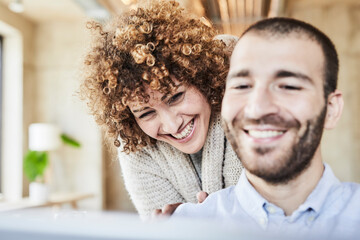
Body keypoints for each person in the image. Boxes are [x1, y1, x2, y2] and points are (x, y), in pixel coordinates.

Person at [173, 18, 360, 237]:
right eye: (241, 86)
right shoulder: (184, 228)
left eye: (288, 86)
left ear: (331, 109)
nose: (257, 108)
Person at [79, 0, 242, 218]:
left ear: (202, 77)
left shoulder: (245, 97)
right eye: (146, 113)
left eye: (176, 97)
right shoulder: (137, 147)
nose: (173, 125)